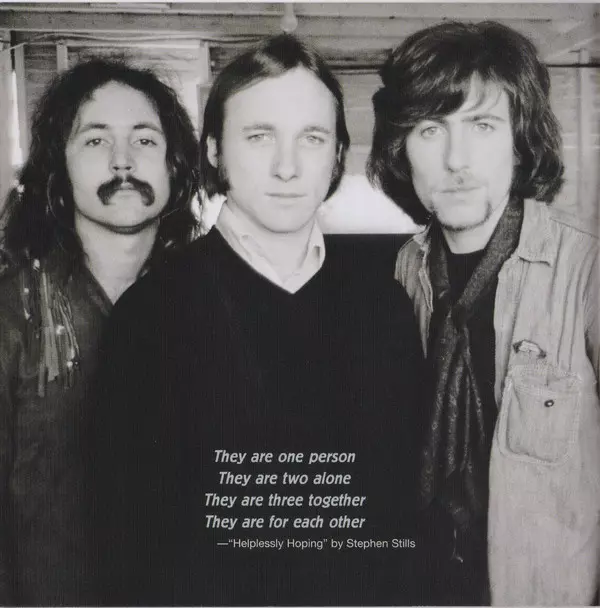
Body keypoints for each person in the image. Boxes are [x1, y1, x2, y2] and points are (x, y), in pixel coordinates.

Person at [92, 34, 427, 606]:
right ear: (215, 151)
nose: (287, 167)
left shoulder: (385, 307)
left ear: (337, 155)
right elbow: (129, 549)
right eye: (259, 136)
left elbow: (399, 522)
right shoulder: (150, 317)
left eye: (312, 138)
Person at [367, 20, 600, 606]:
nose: (456, 159)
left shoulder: (587, 269)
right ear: (402, 150)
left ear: (520, 142)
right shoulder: (405, 269)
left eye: (483, 125)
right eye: (430, 129)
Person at [0, 58, 199, 605]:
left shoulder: (211, 308)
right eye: (95, 141)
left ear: (176, 165)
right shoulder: (13, 311)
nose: (122, 160)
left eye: (145, 140)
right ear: (57, 168)